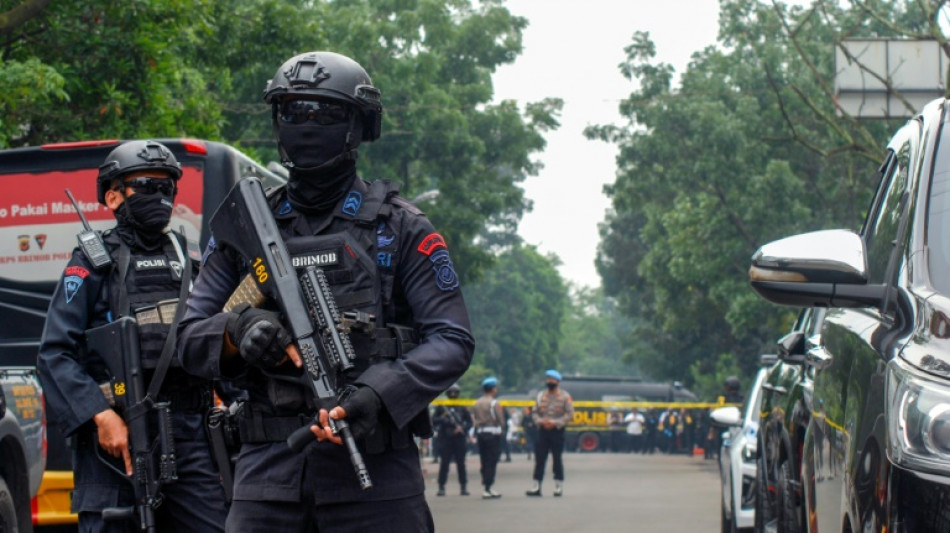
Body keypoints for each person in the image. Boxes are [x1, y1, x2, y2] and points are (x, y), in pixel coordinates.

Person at [176, 50, 474, 533]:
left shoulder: (400, 228)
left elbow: (452, 340)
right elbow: (188, 337)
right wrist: (240, 329)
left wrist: (378, 393)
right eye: (293, 111)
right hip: (267, 476)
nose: (308, 124)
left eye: (327, 112)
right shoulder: (243, 226)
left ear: (359, 126)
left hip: (376, 479)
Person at [36, 140, 228, 532]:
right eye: (145, 185)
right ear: (113, 196)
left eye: (167, 187)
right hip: (116, 440)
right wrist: (101, 416)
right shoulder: (92, 262)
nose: (158, 196)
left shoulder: (190, 260)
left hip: (190, 435)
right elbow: (55, 354)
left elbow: (213, 337)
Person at [526, 369, 573, 497]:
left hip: (557, 431)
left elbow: (569, 414)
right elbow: (534, 412)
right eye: (548, 379)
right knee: (540, 459)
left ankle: (558, 486)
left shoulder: (565, 396)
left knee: (557, 459)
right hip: (542, 431)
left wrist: (555, 423)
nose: (549, 382)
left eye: (552, 380)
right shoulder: (540, 395)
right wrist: (541, 422)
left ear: (557, 381)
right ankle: (536, 486)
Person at [432, 384, 472, 496]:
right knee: (444, 464)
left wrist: (462, 428)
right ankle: (441, 487)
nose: (453, 394)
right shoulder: (442, 407)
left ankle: (463, 487)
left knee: (461, 464)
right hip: (445, 438)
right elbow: (434, 420)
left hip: (459, 438)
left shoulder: (462, 407)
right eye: (451, 392)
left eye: (455, 392)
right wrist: (444, 420)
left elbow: (469, 422)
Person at [472, 376, 506, 499]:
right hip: (493, 434)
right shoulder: (494, 403)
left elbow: (475, 418)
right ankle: (487, 486)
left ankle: (487, 486)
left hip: (481, 433)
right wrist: (502, 429)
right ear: (493, 389)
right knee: (492, 460)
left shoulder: (477, 402)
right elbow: (501, 420)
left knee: (484, 459)